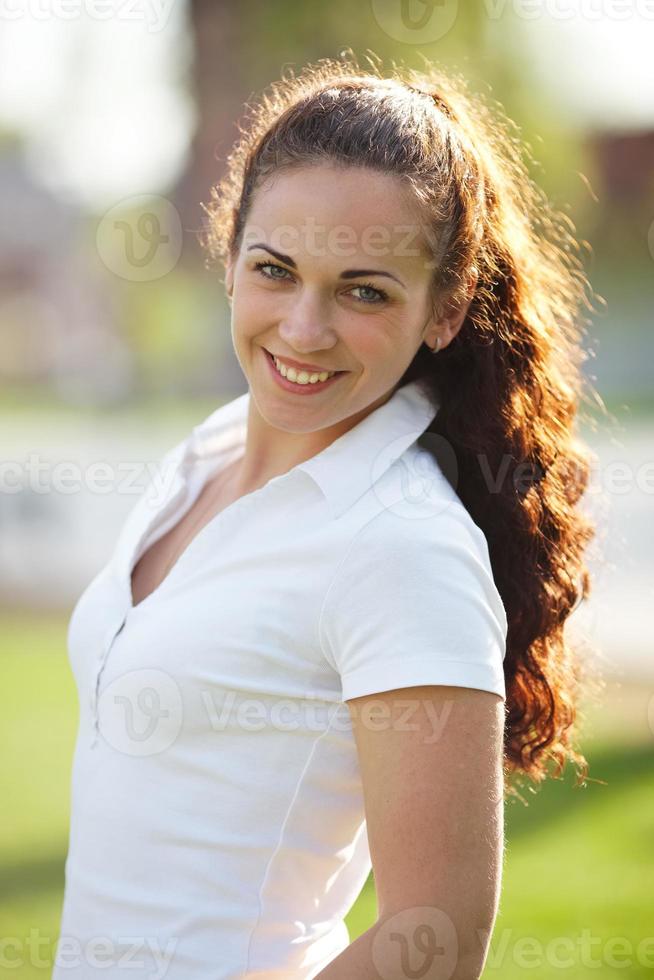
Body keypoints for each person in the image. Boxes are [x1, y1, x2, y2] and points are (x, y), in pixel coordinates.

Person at [53, 53, 601, 980]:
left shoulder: (402, 547)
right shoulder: (204, 457)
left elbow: (436, 943)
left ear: (445, 309)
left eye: (363, 290)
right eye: (276, 270)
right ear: (229, 256)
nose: (304, 330)